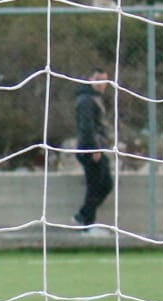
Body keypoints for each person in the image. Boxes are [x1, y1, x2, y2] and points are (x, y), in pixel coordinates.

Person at [72, 69, 113, 229]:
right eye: (98, 79)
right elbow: (87, 127)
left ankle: (84, 217)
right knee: (98, 184)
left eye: (104, 81)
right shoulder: (86, 100)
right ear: (90, 79)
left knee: (102, 184)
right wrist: (94, 148)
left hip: (96, 147)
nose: (101, 84)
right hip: (89, 148)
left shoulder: (95, 98)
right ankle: (85, 220)